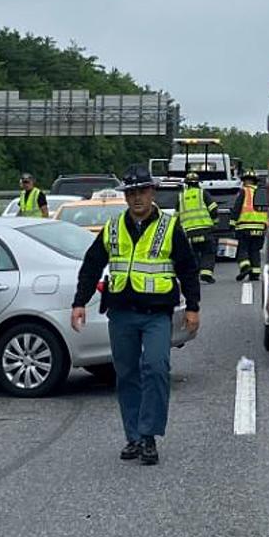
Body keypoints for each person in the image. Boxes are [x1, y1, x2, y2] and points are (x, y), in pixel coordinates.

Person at [71, 164, 201, 466]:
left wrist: (193, 307)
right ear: (125, 197)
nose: (136, 198)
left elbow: (188, 268)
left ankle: (149, 435)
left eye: (141, 191)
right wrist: (80, 302)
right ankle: (134, 437)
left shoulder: (169, 227)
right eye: (131, 193)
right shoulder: (114, 227)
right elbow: (92, 265)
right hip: (121, 314)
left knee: (155, 368)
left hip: (156, 314)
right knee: (127, 375)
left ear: (152, 192)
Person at [176, 172, 219, 284]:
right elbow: (214, 208)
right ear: (198, 183)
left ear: (187, 184)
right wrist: (214, 222)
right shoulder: (202, 193)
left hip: (188, 232)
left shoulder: (181, 197)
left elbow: (176, 216)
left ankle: (193, 276)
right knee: (208, 252)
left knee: (193, 254)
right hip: (205, 230)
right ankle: (206, 273)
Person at [230, 169, 268, 282]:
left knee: (243, 249)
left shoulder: (243, 191)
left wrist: (232, 223)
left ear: (244, 181)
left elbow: (237, 208)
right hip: (260, 227)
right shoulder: (262, 192)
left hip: (244, 226)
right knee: (255, 250)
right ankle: (255, 273)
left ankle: (245, 267)